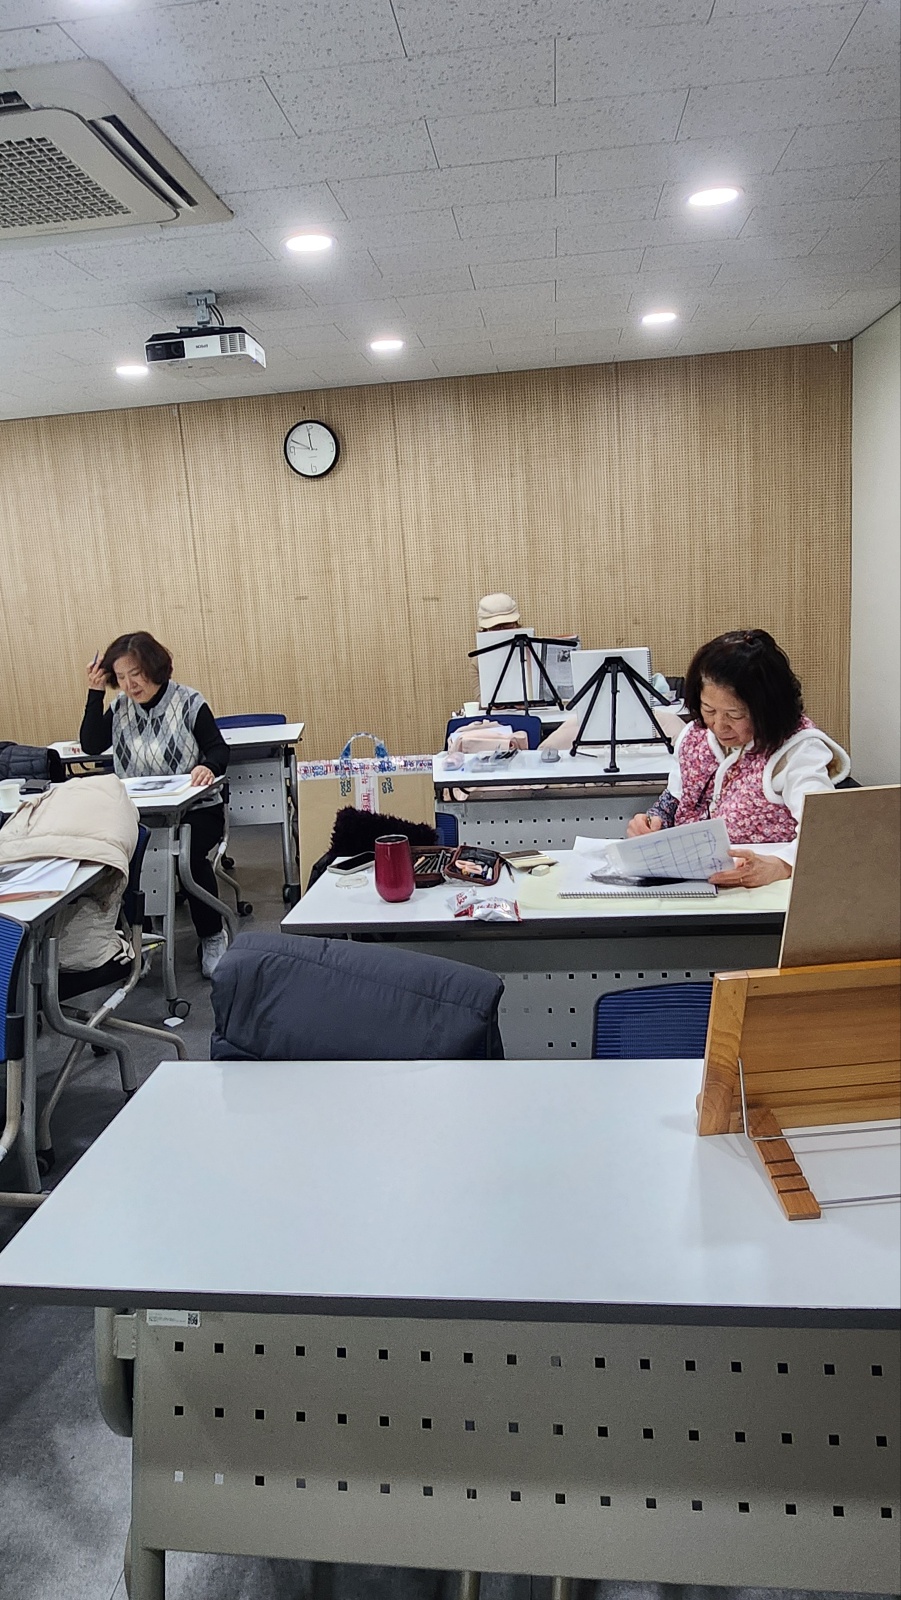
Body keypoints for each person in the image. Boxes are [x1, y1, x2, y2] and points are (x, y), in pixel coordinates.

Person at [625, 629, 850, 887]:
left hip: (757, 893)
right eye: (709, 709)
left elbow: (824, 832)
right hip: (693, 883)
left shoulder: (797, 751)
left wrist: (781, 865)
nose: (719, 726)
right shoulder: (695, 736)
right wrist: (652, 823)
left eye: (735, 715)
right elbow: (675, 800)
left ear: (767, 710)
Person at [80, 631, 230, 977]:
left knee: (188, 859)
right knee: (124, 862)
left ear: (155, 667)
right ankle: (141, 940)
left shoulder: (188, 701)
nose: (130, 684)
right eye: (121, 677)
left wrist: (208, 766)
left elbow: (219, 748)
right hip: (140, 815)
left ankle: (212, 935)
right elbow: (91, 745)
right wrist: (95, 693)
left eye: (136, 673)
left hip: (195, 809)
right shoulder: (120, 708)